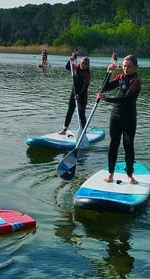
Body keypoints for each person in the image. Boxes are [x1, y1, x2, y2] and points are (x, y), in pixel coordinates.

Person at [97, 54, 142, 184]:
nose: (126, 69)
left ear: (135, 67)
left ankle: (129, 175)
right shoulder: (121, 77)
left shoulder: (136, 82)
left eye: (129, 66)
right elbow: (105, 87)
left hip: (129, 117)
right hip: (115, 115)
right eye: (124, 66)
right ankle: (111, 174)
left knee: (128, 145)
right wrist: (108, 72)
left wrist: (107, 99)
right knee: (113, 145)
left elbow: (126, 99)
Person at [58, 52, 90, 135]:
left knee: (81, 113)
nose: (84, 65)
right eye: (83, 63)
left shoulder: (86, 74)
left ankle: (83, 131)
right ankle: (64, 129)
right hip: (73, 93)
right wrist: (70, 60)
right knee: (70, 111)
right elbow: (67, 67)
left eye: (86, 64)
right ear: (80, 62)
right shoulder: (75, 68)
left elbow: (85, 87)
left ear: (88, 65)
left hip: (82, 95)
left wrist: (79, 95)